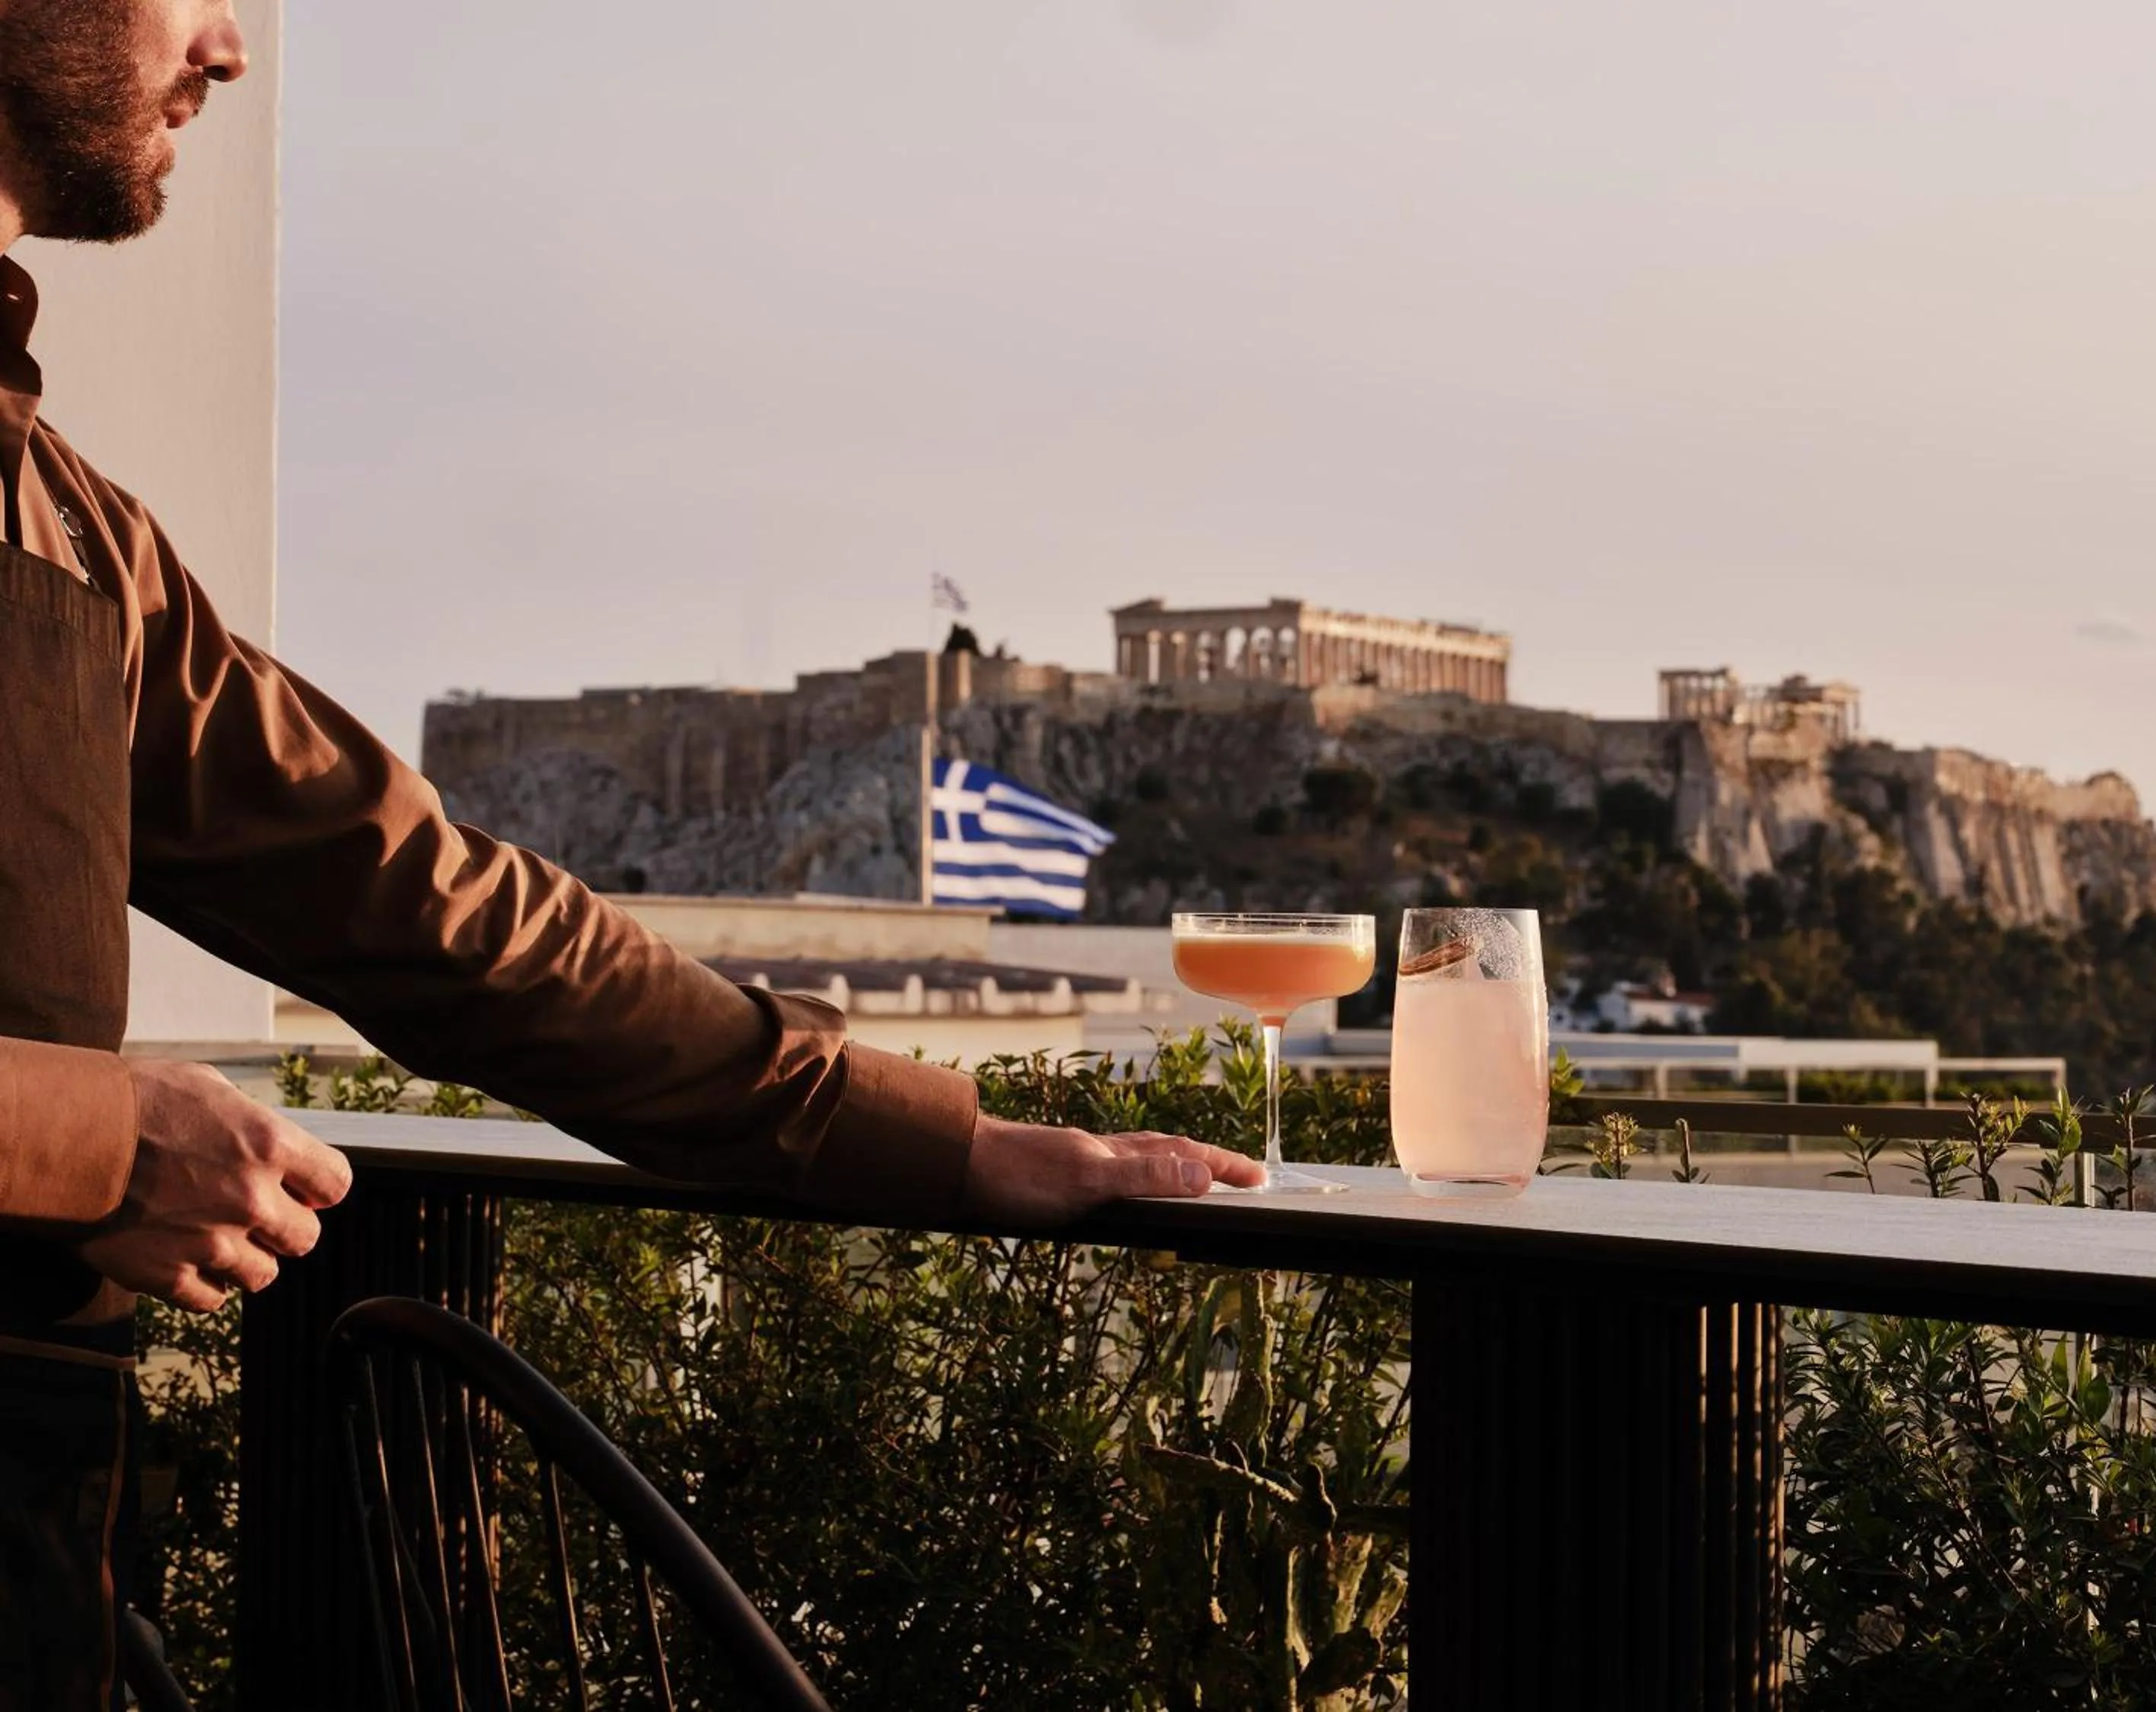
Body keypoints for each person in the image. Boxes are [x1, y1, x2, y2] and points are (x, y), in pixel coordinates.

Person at [0, 5, 1264, 1704]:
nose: (233, 44)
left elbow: (439, 914)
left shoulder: (70, 527)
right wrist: (90, 1137)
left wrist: (955, 1146)